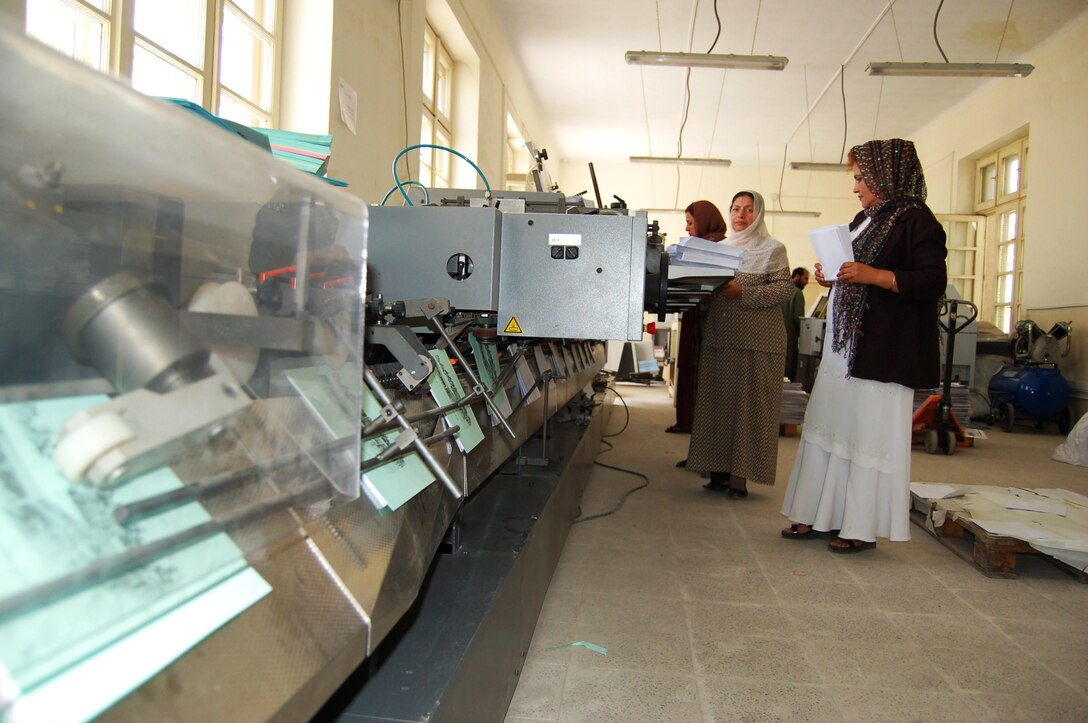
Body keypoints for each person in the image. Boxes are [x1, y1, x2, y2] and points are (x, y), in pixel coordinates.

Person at [779, 139, 947, 553]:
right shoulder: (865, 219)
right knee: (832, 426)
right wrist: (834, 275)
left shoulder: (919, 222)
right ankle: (819, 515)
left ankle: (858, 525)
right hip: (846, 348)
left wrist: (872, 275)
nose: (855, 187)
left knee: (867, 435)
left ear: (886, 175)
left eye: (860, 178)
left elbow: (931, 281)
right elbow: (856, 272)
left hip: (885, 351)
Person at [687, 191, 794, 497]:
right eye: (736, 208)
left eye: (749, 210)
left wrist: (743, 294)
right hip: (722, 337)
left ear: (758, 214)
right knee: (716, 404)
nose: (741, 215)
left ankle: (739, 480)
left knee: (749, 409)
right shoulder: (720, 248)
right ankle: (717, 472)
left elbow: (785, 289)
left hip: (758, 341)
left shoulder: (773, 248)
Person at [666, 200, 728, 436]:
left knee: (702, 378)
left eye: (690, 223)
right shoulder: (704, 244)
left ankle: (698, 433)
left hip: (709, 322)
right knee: (693, 373)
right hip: (698, 316)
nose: (687, 228)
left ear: (703, 221)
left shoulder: (714, 245)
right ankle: (690, 426)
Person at [782, 267, 809, 381]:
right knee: (788, 370)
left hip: (775, 335)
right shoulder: (797, 293)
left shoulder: (780, 290)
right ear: (797, 276)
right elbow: (798, 318)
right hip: (790, 337)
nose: (807, 282)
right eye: (805, 278)